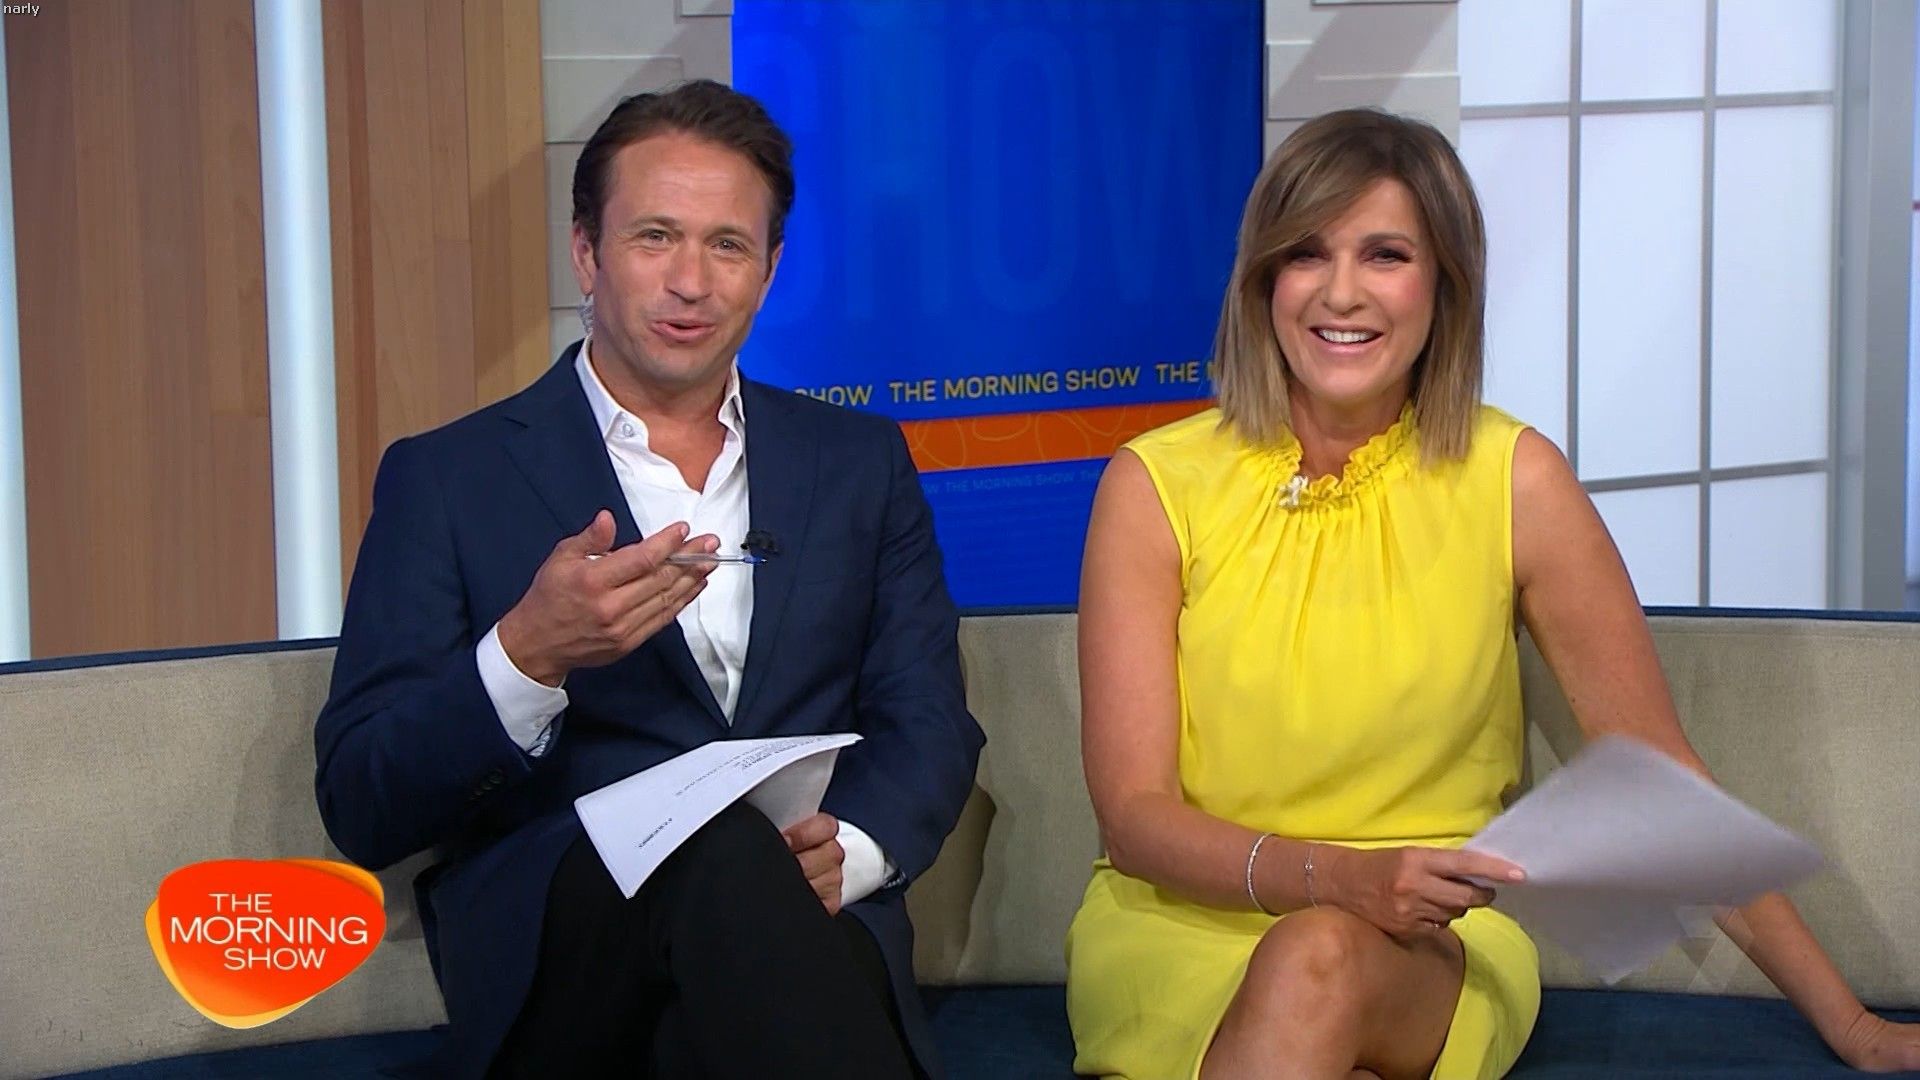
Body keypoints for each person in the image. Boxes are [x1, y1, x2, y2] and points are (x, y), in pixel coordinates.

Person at [1064, 108, 1920, 1079]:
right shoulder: (1155, 485)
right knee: (1316, 983)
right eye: (1306, 254)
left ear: (1446, 284)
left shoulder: (1515, 481)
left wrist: (1854, 1027)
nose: (1340, 292)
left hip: (1428, 948)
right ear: (1264, 281)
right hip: (1180, 927)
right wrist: (1335, 875)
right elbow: (1134, 816)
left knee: (1319, 958)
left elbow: (1658, 777)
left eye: (1386, 255)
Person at [314, 79, 982, 1080]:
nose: (692, 282)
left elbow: (927, 718)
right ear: (587, 252)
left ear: (770, 270)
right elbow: (363, 799)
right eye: (656, 237)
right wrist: (526, 657)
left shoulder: (859, 463)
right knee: (718, 853)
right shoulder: (448, 478)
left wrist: (852, 849)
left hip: (803, 922)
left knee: (753, 929)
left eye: (728, 245)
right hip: (567, 951)